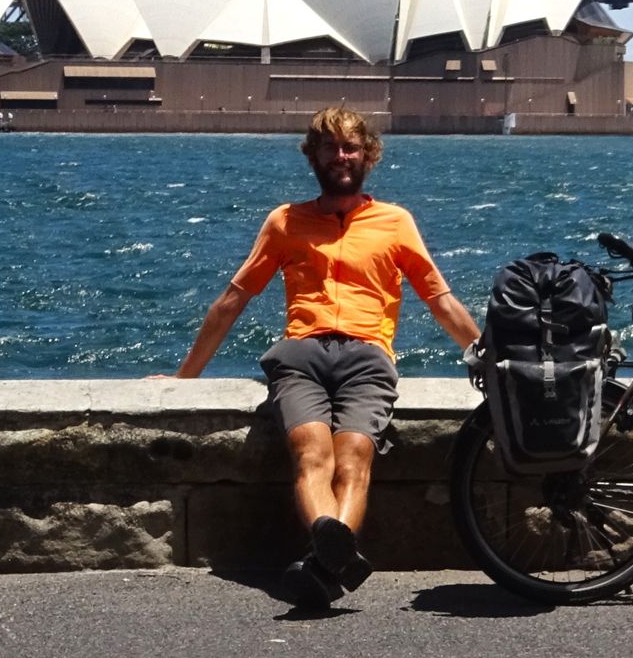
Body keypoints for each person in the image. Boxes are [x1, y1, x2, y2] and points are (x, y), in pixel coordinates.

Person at [161, 106, 481, 608]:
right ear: (313, 156)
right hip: (300, 356)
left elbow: (439, 299)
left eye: (350, 146)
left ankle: (323, 567)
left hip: (367, 358)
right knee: (312, 455)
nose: (340, 156)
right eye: (330, 147)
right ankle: (334, 563)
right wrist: (185, 377)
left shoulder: (395, 222)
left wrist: (486, 357)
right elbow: (233, 300)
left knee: (354, 459)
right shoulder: (286, 221)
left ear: (368, 154)